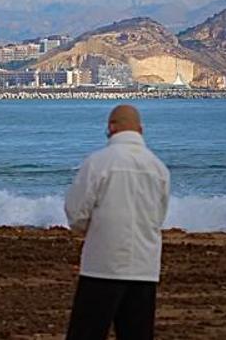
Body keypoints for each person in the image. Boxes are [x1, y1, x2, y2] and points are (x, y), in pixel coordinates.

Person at [64, 104, 170, 340]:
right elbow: (159, 216)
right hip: (145, 267)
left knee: (86, 333)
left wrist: (88, 230)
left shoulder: (98, 162)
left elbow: (76, 212)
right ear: (140, 130)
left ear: (111, 127)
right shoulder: (158, 168)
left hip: (102, 265)